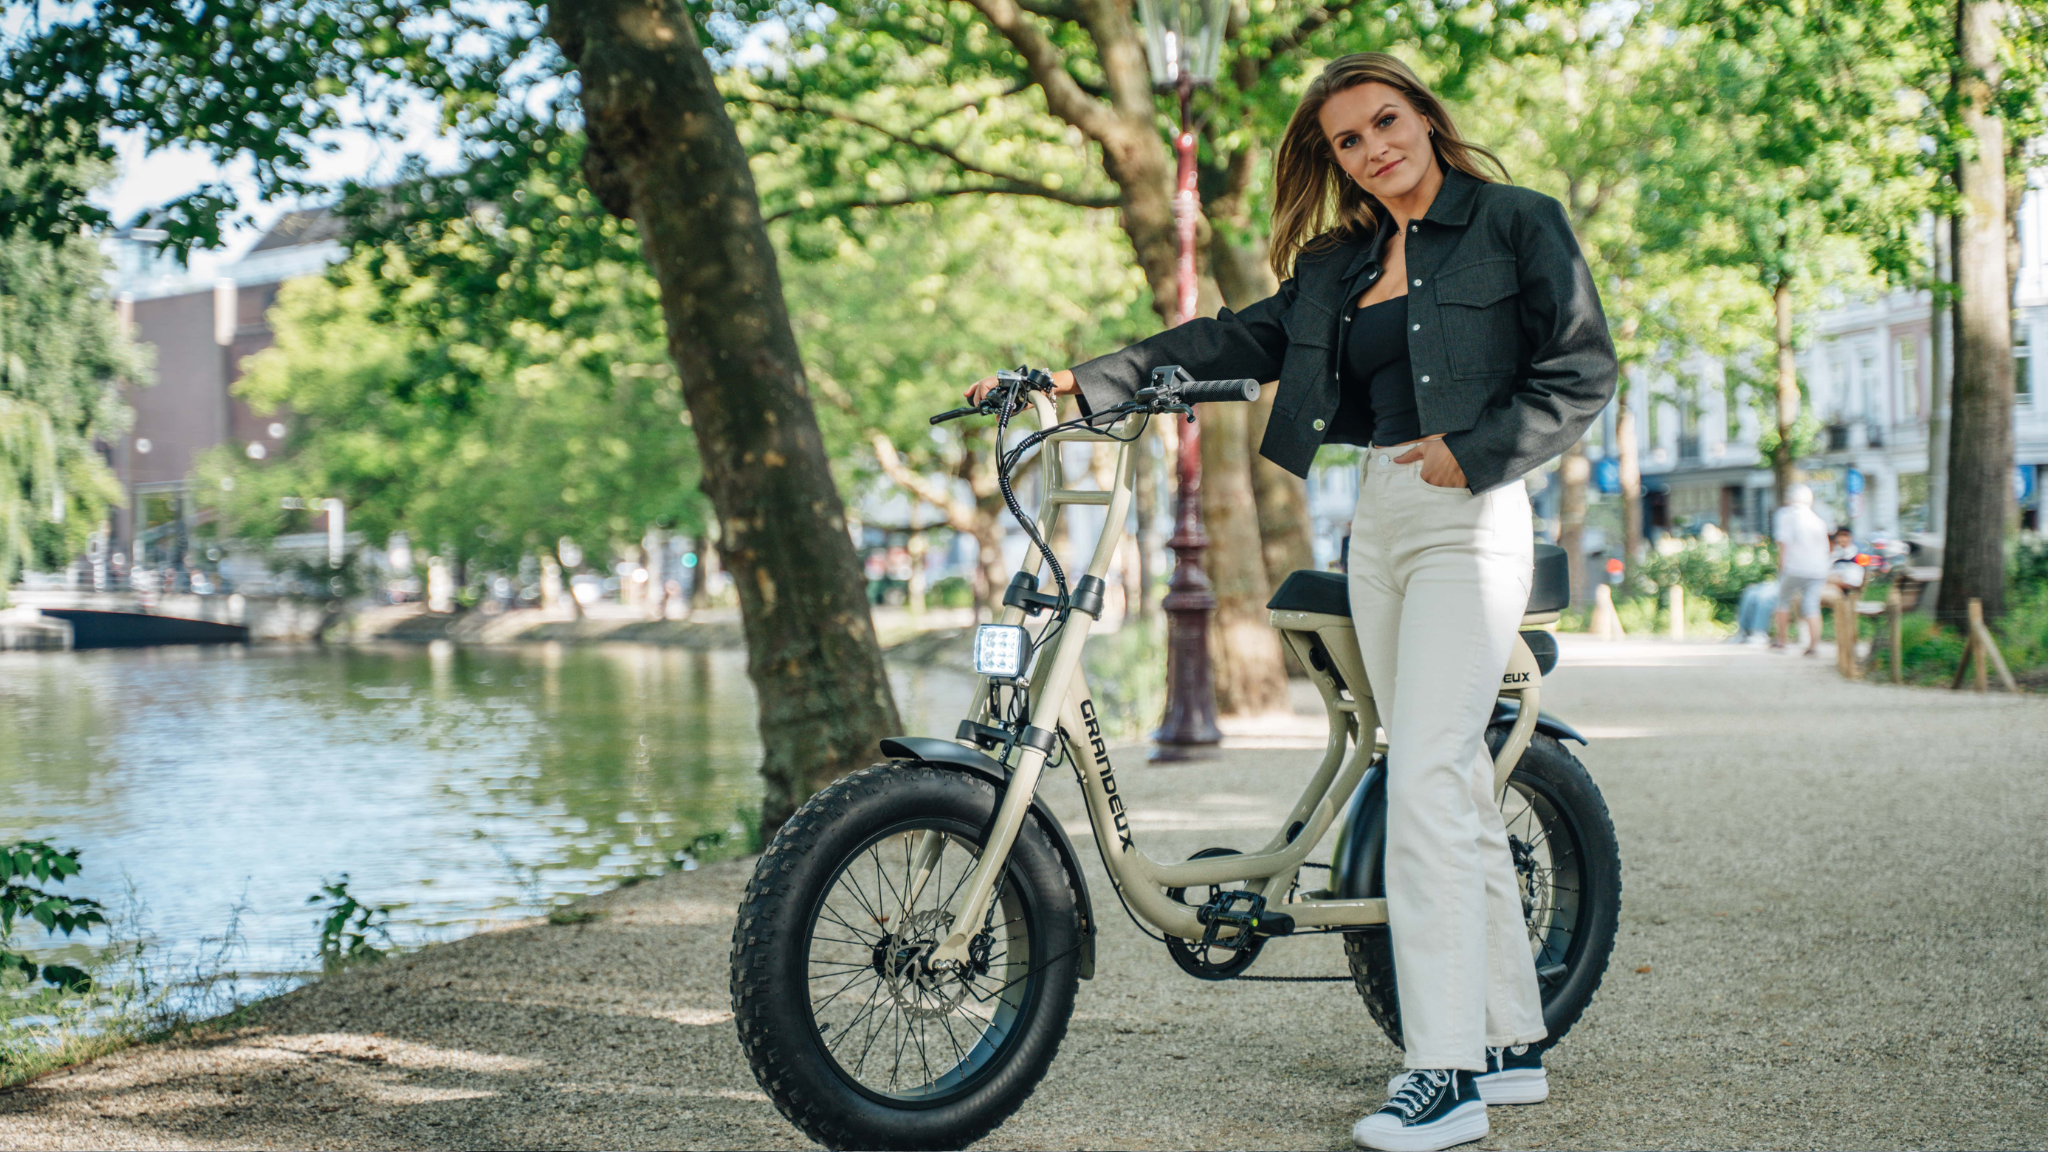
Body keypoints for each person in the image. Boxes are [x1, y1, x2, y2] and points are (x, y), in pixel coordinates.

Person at [966, 52, 1617, 1152]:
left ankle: (1444, 1074)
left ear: (1423, 116)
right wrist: (1082, 379)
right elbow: (1241, 337)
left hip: (1473, 515)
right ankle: (1507, 1043)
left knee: (1419, 774)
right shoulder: (1339, 260)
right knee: (1438, 777)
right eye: (1349, 141)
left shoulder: (1515, 222)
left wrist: (1479, 451)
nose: (1374, 148)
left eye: (1386, 121)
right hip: (1380, 519)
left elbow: (1582, 368)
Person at [1771, 485, 1831, 656]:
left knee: (1783, 601)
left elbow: (1783, 543)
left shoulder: (1786, 515)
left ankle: (1782, 641)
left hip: (1795, 567)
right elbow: (1826, 547)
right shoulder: (1818, 520)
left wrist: (1781, 567)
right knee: (1812, 605)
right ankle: (1813, 646)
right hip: (1818, 569)